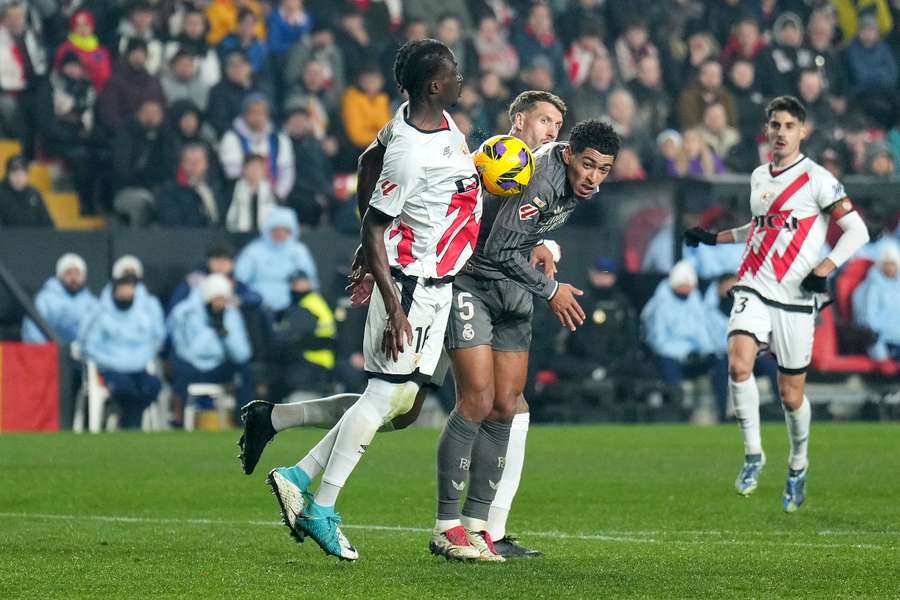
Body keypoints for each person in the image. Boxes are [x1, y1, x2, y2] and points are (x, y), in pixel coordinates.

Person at [248, 38, 481, 562]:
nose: (462, 80)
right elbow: (378, 221)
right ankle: (319, 506)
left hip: (434, 280)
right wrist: (392, 300)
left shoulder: (426, 125)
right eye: (454, 73)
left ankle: (293, 462)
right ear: (435, 85)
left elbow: (364, 158)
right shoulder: (409, 152)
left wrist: (366, 243)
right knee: (383, 398)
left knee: (399, 406)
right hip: (412, 283)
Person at [431, 118, 617, 560]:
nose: (593, 177)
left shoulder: (573, 183)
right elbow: (496, 250)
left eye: (604, 169)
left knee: (506, 406)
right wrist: (551, 289)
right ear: (569, 154)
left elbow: (521, 239)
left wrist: (543, 250)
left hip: (515, 291)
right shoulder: (544, 180)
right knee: (476, 399)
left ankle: (478, 528)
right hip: (473, 283)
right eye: (588, 164)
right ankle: (445, 526)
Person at [683, 96, 870, 511]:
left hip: (798, 298)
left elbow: (857, 232)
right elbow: (760, 228)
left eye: (789, 126)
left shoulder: (818, 179)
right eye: (775, 125)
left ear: (802, 131)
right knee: (738, 363)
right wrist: (716, 238)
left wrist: (825, 266)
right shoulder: (758, 177)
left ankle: (798, 463)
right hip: (754, 284)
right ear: (766, 130)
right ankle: (753, 454)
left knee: (790, 396)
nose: (781, 133)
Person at [78, 274, 165, 429]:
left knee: (153, 385)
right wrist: (110, 360)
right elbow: (88, 345)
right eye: (122, 290)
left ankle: (127, 422)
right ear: (114, 292)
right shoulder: (100, 314)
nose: (126, 294)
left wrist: (140, 358)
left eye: (129, 290)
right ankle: (130, 425)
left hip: (138, 369)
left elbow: (154, 340)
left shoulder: (143, 315)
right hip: (111, 369)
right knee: (126, 389)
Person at [168, 273, 255, 419]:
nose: (221, 303)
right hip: (192, 366)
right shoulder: (187, 313)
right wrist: (212, 331)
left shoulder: (231, 314)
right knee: (178, 367)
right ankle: (179, 421)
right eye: (217, 298)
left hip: (218, 365)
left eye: (224, 299)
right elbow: (189, 351)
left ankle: (244, 422)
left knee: (245, 371)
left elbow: (242, 354)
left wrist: (225, 334)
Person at [640, 260, 717, 393]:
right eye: (682, 284)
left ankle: (715, 410)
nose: (686, 288)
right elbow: (657, 340)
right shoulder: (660, 305)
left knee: (719, 363)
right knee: (669, 366)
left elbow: (704, 332)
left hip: (695, 353)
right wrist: (682, 353)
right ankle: (676, 402)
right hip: (669, 354)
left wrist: (704, 350)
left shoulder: (696, 302)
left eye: (689, 285)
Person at [268, 270, 337, 400]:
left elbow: (290, 336)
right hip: (321, 361)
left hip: (310, 363)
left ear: (308, 283)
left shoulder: (306, 306)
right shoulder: (316, 301)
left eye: (299, 283)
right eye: (294, 284)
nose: (295, 287)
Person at [234, 206, 318, 312]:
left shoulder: (299, 251)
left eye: (284, 230)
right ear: (268, 230)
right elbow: (240, 278)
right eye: (276, 230)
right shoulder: (253, 251)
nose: (280, 234)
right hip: (260, 305)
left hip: (293, 304)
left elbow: (310, 279)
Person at [219, 93, 295, 198]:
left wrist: (276, 196)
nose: (257, 117)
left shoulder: (280, 139)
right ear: (245, 114)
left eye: (261, 113)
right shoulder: (231, 138)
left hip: (273, 197)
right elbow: (232, 173)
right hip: (241, 197)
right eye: (253, 112)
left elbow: (287, 173)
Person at [22, 253, 98, 344]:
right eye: (69, 273)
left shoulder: (92, 303)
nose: (73, 278)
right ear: (60, 276)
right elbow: (32, 330)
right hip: (50, 353)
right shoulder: (45, 299)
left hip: (82, 355)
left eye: (77, 273)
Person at [852, 242, 900, 360]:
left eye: (893, 264)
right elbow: (868, 313)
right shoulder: (873, 285)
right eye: (887, 264)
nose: (890, 268)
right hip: (878, 337)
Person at [157, 144, 225, 227]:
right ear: (182, 164)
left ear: (206, 164)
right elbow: (172, 224)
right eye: (189, 161)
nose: (193, 165)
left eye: (198, 161)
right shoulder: (169, 191)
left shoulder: (216, 188)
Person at [226, 153, 278, 232]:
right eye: (252, 167)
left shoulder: (271, 192)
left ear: (264, 171)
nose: (255, 171)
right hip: (239, 234)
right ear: (244, 170)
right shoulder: (233, 190)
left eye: (258, 168)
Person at [0, 155, 54, 227]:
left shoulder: (34, 194)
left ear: (27, 175)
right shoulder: (1, 193)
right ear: (7, 174)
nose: (18, 177)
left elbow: (48, 224)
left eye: (22, 173)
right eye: (14, 173)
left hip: (33, 237)